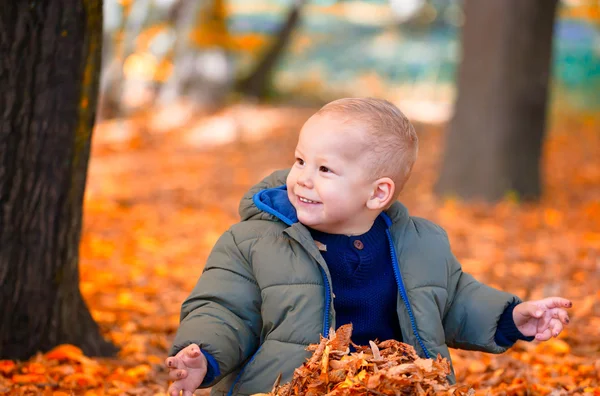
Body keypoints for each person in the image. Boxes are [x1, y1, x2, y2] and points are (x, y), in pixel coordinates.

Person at [165, 98, 572, 396]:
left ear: (378, 194)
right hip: (294, 387)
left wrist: (512, 316)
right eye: (300, 160)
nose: (303, 178)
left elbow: (453, 298)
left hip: (391, 383)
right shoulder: (252, 242)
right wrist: (203, 355)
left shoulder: (421, 244)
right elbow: (224, 308)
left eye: (325, 169)